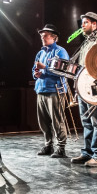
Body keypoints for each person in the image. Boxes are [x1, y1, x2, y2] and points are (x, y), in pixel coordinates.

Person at [69, 11, 97, 167]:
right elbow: (81, 68)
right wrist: (77, 88)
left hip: (95, 88)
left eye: (86, 22)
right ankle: (87, 153)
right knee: (86, 121)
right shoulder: (86, 42)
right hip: (84, 87)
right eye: (82, 22)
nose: (82, 25)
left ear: (95, 24)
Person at [32, 24, 69, 158]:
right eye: (42, 35)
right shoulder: (40, 52)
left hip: (55, 90)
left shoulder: (60, 51)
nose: (42, 37)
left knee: (57, 120)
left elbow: (63, 71)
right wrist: (35, 73)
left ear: (54, 37)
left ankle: (61, 147)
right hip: (41, 89)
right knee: (43, 121)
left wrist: (45, 68)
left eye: (45, 35)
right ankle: (48, 145)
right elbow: (34, 69)